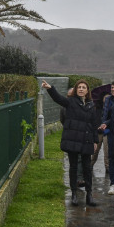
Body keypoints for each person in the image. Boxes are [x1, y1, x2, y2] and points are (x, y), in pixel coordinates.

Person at [43, 79, 100, 207]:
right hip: (73, 139)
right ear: (75, 90)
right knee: (73, 167)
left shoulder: (91, 105)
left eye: (83, 87)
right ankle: (74, 194)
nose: (81, 89)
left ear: (87, 90)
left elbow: (93, 124)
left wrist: (95, 140)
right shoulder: (70, 102)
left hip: (86, 141)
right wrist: (49, 88)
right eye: (79, 87)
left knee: (87, 168)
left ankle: (89, 195)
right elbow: (58, 99)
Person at [99, 81, 114, 194]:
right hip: (110, 132)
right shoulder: (108, 99)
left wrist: (106, 122)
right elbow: (105, 113)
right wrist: (104, 123)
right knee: (111, 157)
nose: (113, 90)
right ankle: (113, 183)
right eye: (112, 88)